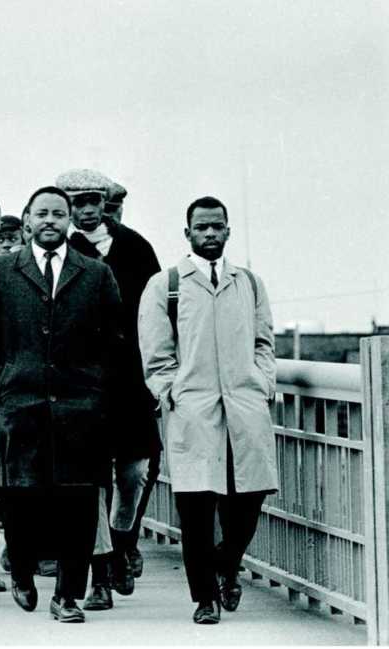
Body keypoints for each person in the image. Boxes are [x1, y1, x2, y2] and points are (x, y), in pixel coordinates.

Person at [0, 186, 124, 623]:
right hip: (21, 405)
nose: (51, 221)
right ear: (27, 221)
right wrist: (1, 387)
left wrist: (96, 394)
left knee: (78, 504)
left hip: (79, 410)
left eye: (59, 213)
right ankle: (21, 570)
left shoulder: (95, 274)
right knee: (22, 498)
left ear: (69, 220)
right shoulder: (1, 270)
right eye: (43, 214)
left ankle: (67, 597)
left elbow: (113, 343)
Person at [138, 196, 278, 625]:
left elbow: (264, 341)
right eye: (202, 227)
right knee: (196, 507)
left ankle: (227, 563)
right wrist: (171, 391)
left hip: (244, 406)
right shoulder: (167, 285)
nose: (210, 234)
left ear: (228, 230)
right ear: (188, 234)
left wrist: (262, 382)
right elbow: (155, 355)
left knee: (249, 498)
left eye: (218, 226)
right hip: (193, 409)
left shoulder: (249, 283)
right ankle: (205, 598)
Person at [58, 168, 159, 610]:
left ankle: (122, 543)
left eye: (96, 200)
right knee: (90, 481)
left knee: (135, 472)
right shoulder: (55, 253)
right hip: (79, 382)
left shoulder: (136, 247)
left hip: (131, 378)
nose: (88, 209)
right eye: (76, 202)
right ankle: (99, 574)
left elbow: (161, 313)